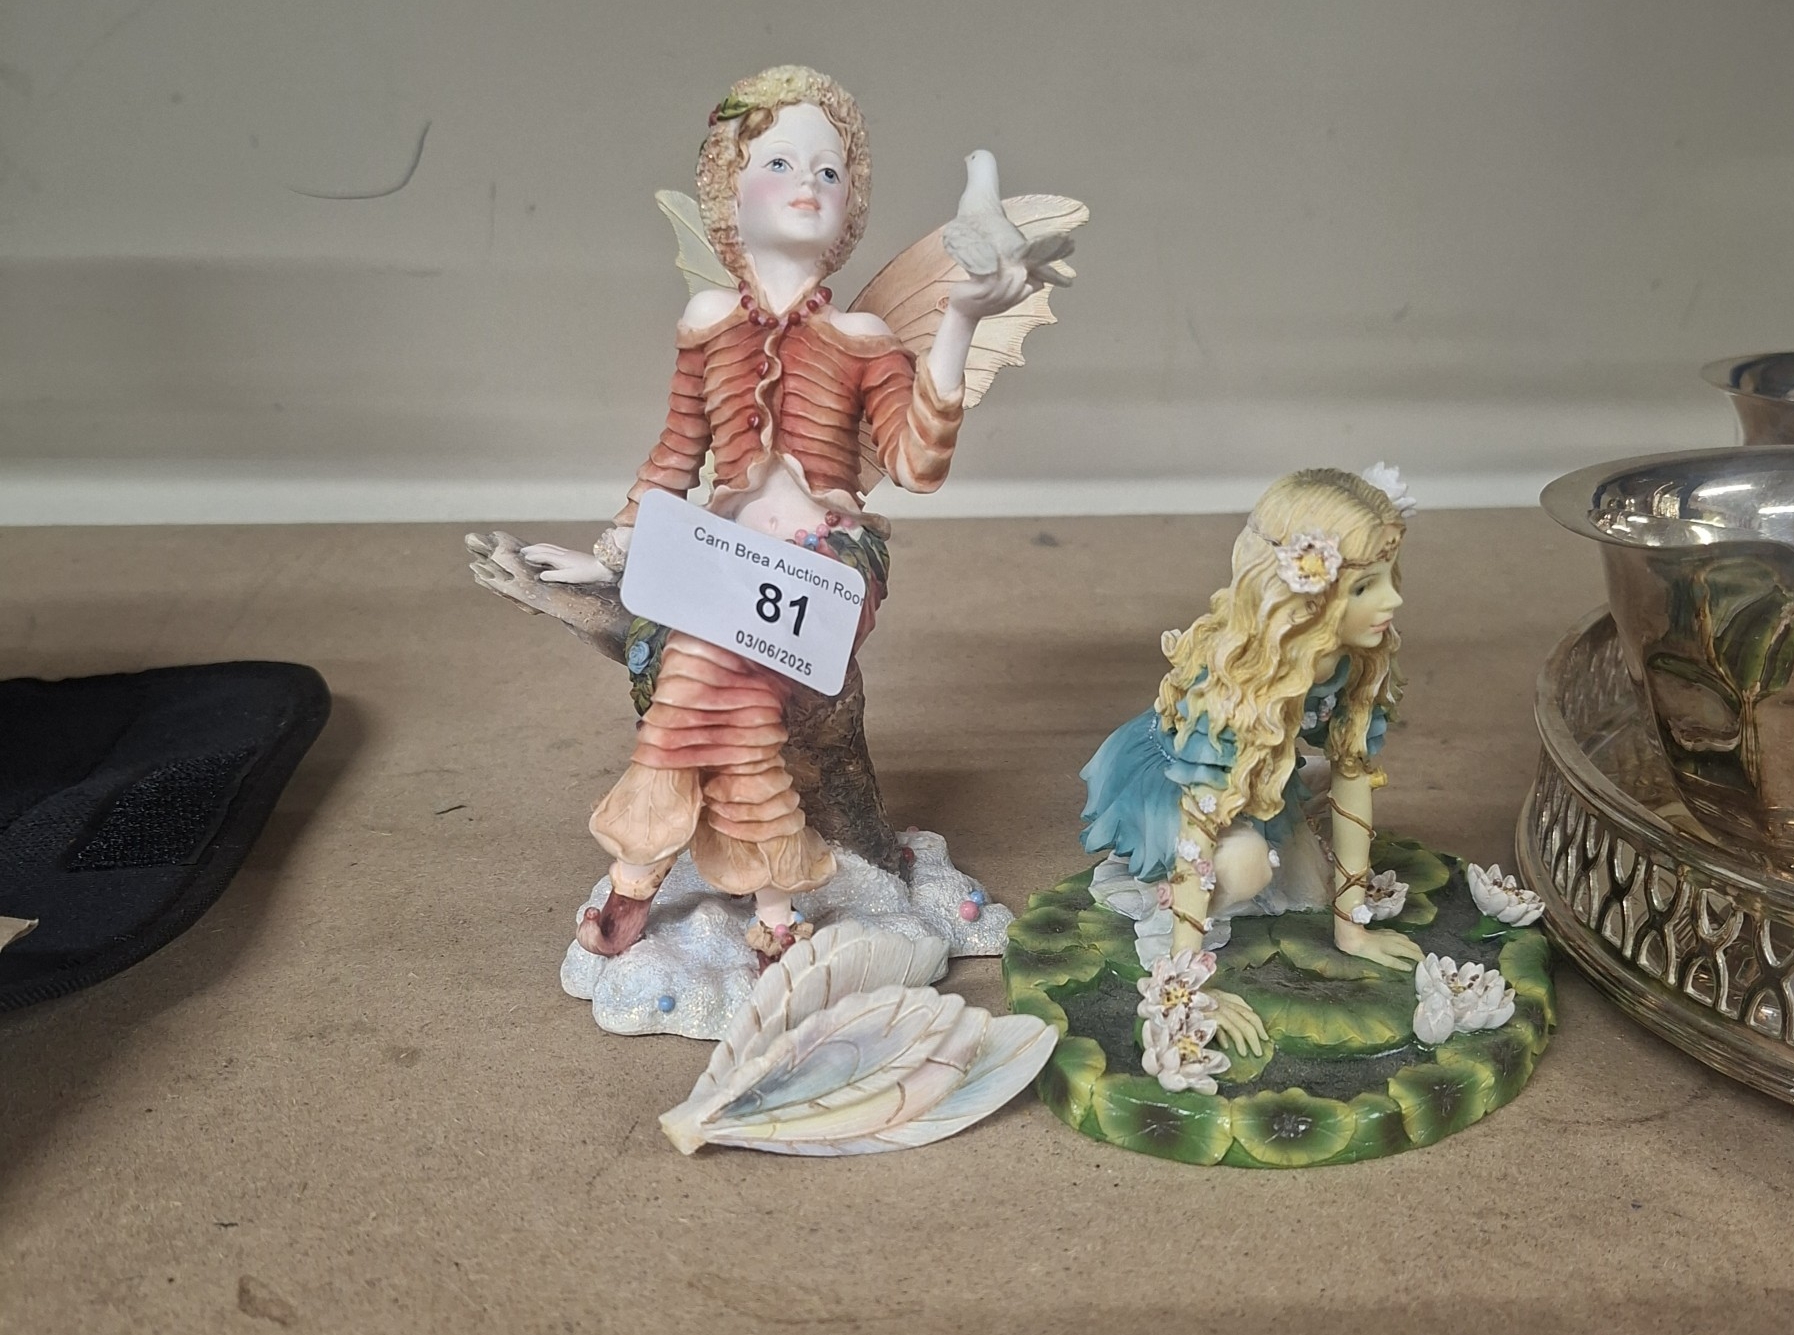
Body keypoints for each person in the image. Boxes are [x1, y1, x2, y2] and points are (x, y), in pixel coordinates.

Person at [522, 65, 1035, 961]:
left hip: (830, 567)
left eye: (830, 171)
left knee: (700, 666)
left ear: (851, 205)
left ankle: (636, 877)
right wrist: (610, 555)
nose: (809, 184)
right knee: (724, 687)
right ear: (730, 185)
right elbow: (674, 455)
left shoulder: (864, 340)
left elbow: (916, 467)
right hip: (722, 558)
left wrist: (957, 321)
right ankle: (773, 906)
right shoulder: (707, 320)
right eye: (780, 163)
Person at [1080, 466, 1417, 969]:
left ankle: (1256, 842)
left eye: (1389, 576)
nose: (1394, 599)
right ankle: (1169, 912)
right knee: (1247, 870)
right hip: (1178, 785)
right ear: (1304, 596)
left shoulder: (1357, 661)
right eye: (1365, 587)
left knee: (1310, 890)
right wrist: (1182, 976)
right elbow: (1199, 821)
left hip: (1258, 781)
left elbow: (1353, 775)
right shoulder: (1238, 688)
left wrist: (1353, 929)